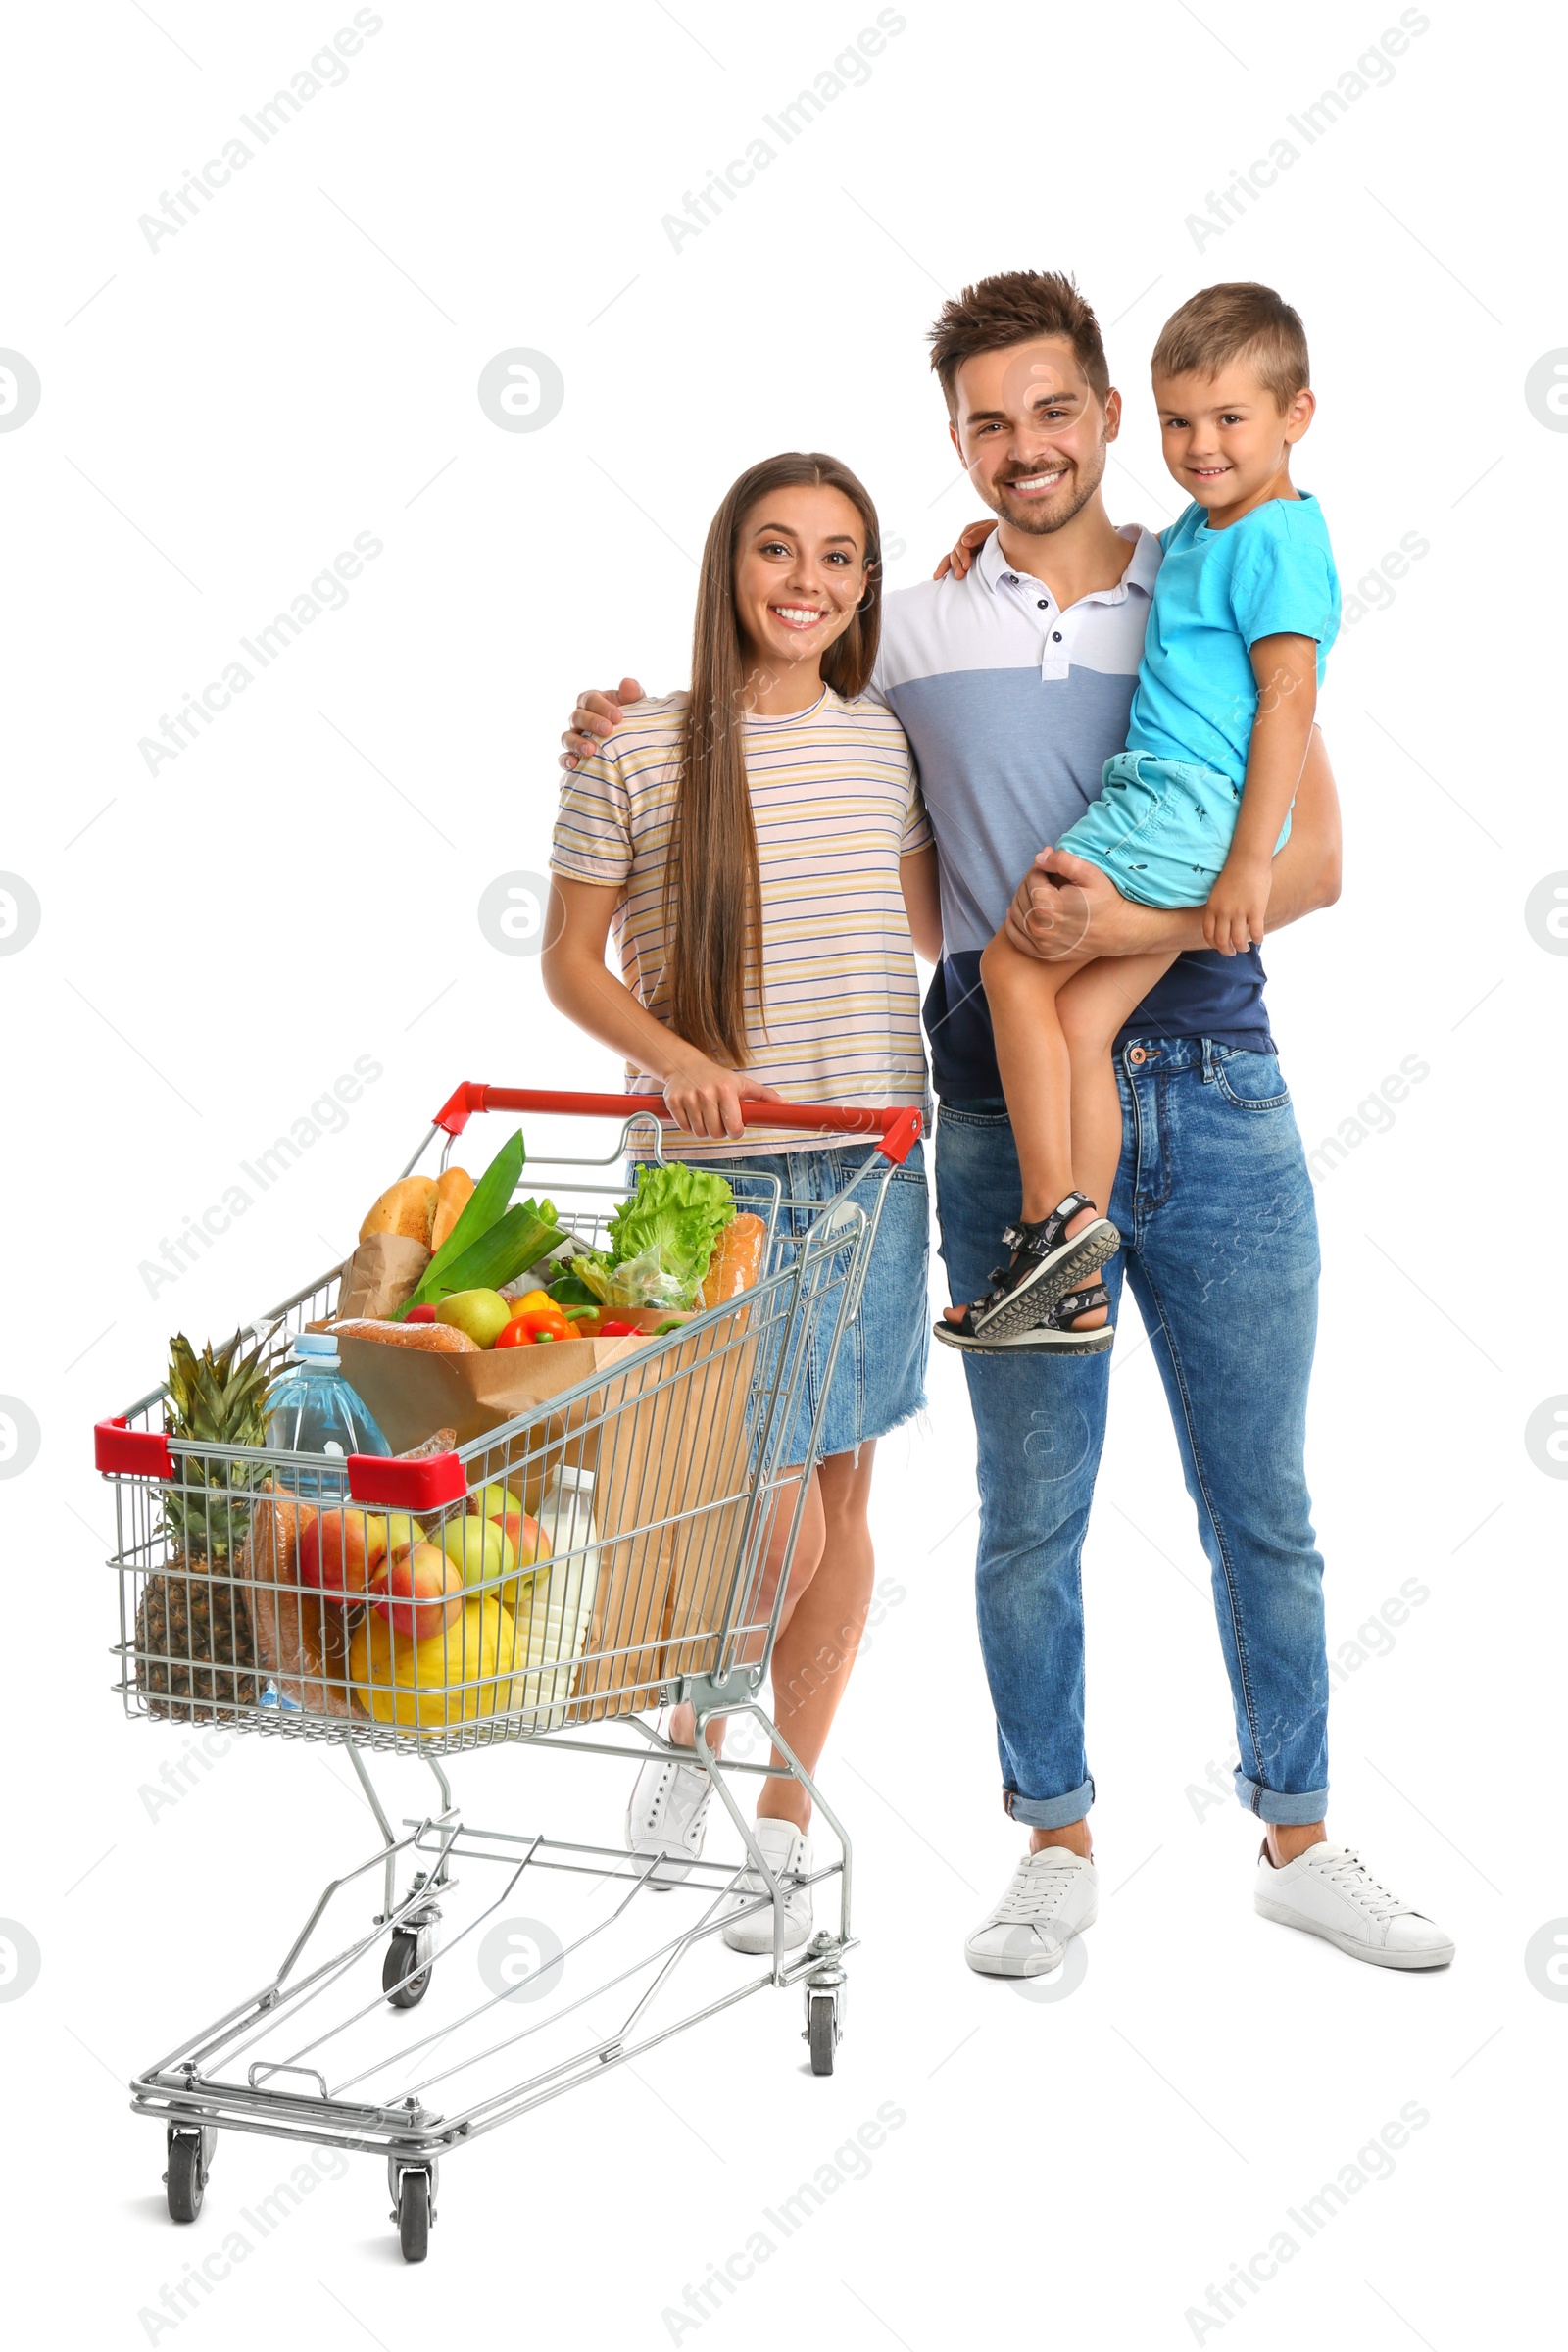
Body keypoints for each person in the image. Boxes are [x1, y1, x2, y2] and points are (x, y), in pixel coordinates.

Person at [560, 271, 1454, 1976]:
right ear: (956, 445)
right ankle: (1053, 1837)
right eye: (988, 423)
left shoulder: (1199, 583)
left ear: (1114, 418)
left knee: (1260, 1495)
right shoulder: (906, 627)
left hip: (1216, 1088)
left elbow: (1317, 859)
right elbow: (774, 712)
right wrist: (609, 729)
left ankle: (1302, 1835)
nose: (1026, 448)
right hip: (986, 1102)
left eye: (1057, 413)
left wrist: (1122, 931)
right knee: (1030, 1511)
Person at [542, 450, 939, 1954]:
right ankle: (692, 1724)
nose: (808, 584)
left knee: (837, 1484)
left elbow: (925, 920)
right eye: (779, 551)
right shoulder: (638, 749)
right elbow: (572, 962)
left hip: (869, 1159)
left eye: (840, 560)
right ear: (729, 567)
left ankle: (787, 1808)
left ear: (864, 587)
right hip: (707, 1175)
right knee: (737, 1485)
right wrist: (675, 1058)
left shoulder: (884, 742)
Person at [941, 282, 1341, 1354]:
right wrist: (991, 534)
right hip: (1181, 809)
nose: (1200, 446)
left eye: (1229, 421)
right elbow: (1096, 542)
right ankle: (1075, 1275)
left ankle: (1044, 1233)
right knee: (1079, 1022)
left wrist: (1247, 865)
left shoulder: (1277, 543)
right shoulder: (1204, 531)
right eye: (1181, 422)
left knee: (1017, 973)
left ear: (1296, 415)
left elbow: (1290, 704)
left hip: (1177, 807)